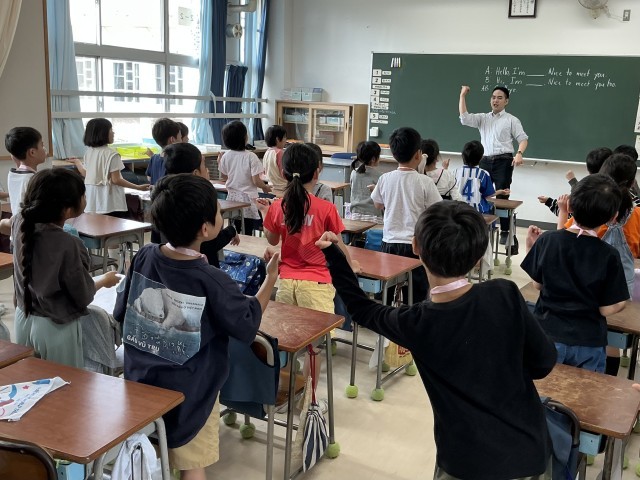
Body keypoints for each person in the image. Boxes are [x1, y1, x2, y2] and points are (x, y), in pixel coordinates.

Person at [316, 201, 556, 479]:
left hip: (465, 462)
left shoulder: (415, 322)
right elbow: (544, 362)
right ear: (478, 257)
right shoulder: (504, 293)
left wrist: (334, 255)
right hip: (529, 452)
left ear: (415, 246)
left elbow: (362, 309)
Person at [114, 174, 279, 480]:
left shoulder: (145, 256)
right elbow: (247, 323)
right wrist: (270, 278)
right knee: (193, 465)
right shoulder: (212, 279)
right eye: (218, 211)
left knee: (153, 452)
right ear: (205, 229)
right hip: (192, 392)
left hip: (140, 382)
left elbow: (120, 310)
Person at [13, 169, 121, 371]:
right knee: (64, 385)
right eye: (83, 195)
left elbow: (6, 224)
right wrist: (104, 280)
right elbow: (82, 295)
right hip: (54, 328)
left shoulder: (20, 222)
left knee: (29, 379)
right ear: (67, 210)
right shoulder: (67, 243)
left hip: (22, 317)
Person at [521, 174, 629, 373]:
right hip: (588, 342)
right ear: (613, 217)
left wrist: (531, 247)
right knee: (587, 391)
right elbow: (606, 310)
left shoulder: (548, 240)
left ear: (569, 206)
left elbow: (538, 284)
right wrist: (622, 302)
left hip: (547, 334)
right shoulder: (609, 255)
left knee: (544, 387)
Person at [370, 127, 442, 303]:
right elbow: (437, 210)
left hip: (390, 242)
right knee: (417, 294)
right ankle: (414, 314)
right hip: (415, 245)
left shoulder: (385, 178)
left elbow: (378, 204)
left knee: (386, 290)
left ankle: (385, 313)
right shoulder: (425, 182)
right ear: (418, 155)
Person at [459, 85, 528, 252]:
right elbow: (464, 118)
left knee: (503, 193)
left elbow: (523, 139)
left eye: (499, 98)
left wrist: (519, 154)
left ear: (506, 101)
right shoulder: (483, 118)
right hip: (485, 160)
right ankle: (483, 225)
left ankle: (505, 231)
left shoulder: (511, 120)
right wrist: (462, 96)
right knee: (482, 193)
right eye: (493, 97)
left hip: (504, 160)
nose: (495, 100)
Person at [163, 142, 240, 268]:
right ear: (195, 174)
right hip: (203, 267)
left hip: (172, 266)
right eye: (204, 164)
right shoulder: (200, 201)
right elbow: (210, 242)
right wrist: (230, 231)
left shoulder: (164, 198)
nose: (207, 169)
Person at [74, 118, 149, 216]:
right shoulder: (112, 155)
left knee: (96, 225)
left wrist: (77, 162)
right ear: (103, 133)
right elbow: (116, 180)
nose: (113, 133)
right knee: (113, 225)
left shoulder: (89, 152)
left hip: (93, 201)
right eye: (111, 130)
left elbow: (85, 173)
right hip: (110, 203)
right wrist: (137, 187)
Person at [218, 121, 271, 234]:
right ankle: (247, 239)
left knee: (235, 224)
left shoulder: (226, 156)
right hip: (247, 197)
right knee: (247, 226)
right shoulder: (250, 156)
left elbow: (224, 176)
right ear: (244, 138)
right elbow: (256, 181)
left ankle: (236, 238)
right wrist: (265, 187)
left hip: (232, 197)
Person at [538, 147, 611, 215]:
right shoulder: (613, 190)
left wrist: (549, 202)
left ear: (588, 170)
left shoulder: (588, 194)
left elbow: (569, 211)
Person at [455, 140, 509, 214]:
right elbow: (488, 195)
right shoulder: (483, 174)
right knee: (490, 206)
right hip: (478, 212)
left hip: (459, 210)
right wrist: (500, 192)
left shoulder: (456, 172)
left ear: (463, 155)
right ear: (481, 157)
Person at [5, 127, 46, 215]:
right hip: (30, 222)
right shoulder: (33, 180)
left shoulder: (12, 174)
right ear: (32, 152)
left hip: (17, 221)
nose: (44, 149)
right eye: (42, 145)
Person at [349, 140, 383, 222]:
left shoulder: (354, 173)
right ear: (373, 159)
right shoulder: (380, 176)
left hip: (355, 215)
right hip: (374, 216)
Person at [146, 118, 182, 185]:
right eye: (180, 138)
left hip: (155, 191)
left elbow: (149, 178)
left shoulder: (153, 158)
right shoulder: (176, 161)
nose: (181, 141)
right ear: (172, 139)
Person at [263, 125, 288, 192]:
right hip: (282, 187)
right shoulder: (280, 152)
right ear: (277, 139)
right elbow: (284, 173)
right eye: (284, 137)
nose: (286, 140)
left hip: (271, 187)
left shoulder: (267, 152)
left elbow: (264, 172)